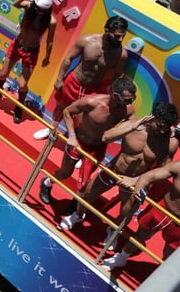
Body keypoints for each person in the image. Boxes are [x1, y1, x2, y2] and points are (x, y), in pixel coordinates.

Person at [62, 102, 178, 249]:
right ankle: (78, 216)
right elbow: (105, 137)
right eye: (159, 126)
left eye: (165, 128)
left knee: (126, 212)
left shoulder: (170, 143)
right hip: (114, 170)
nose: (161, 131)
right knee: (86, 196)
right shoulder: (133, 124)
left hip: (135, 180)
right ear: (152, 117)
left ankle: (113, 230)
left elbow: (162, 170)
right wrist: (131, 128)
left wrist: (136, 180)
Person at [41, 77, 137, 209]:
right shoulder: (92, 102)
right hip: (79, 142)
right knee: (65, 173)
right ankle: (46, 183)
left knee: (84, 181)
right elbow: (67, 111)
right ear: (115, 95)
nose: (130, 102)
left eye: (133, 99)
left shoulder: (127, 109)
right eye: (127, 99)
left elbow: (134, 126)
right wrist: (72, 136)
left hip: (98, 147)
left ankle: (77, 203)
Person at [33, 16, 129, 140]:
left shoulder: (121, 54)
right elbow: (69, 58)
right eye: (117, 36)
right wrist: (59, 78)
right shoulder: (87, 41)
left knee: (85, 115)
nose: (120, 39)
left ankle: (75, 140)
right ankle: (51, 129)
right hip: (74, 81)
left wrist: (111, 95)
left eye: (123, 36)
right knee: (61, 105)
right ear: (107, 30)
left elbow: (117, 76)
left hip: (94, 88)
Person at [0, 0, 57, 123]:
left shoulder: (51, 21)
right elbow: (15, 4)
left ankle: (19, 106)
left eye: (44, 9)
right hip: (17, 45)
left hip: (31, 52)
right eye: (39, 8)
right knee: (3, 74)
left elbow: (50, 40)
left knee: (22, 84)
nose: (40, 11)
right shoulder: (29, 7)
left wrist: (47, 57)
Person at [101, 160, 180, 269]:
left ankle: (161, 275)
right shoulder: (178, 166)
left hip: (178, 225)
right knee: (141, 235)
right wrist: (138, 190)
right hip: (161, 209)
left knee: (170, 252)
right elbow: (148, 176)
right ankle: (122, 257)